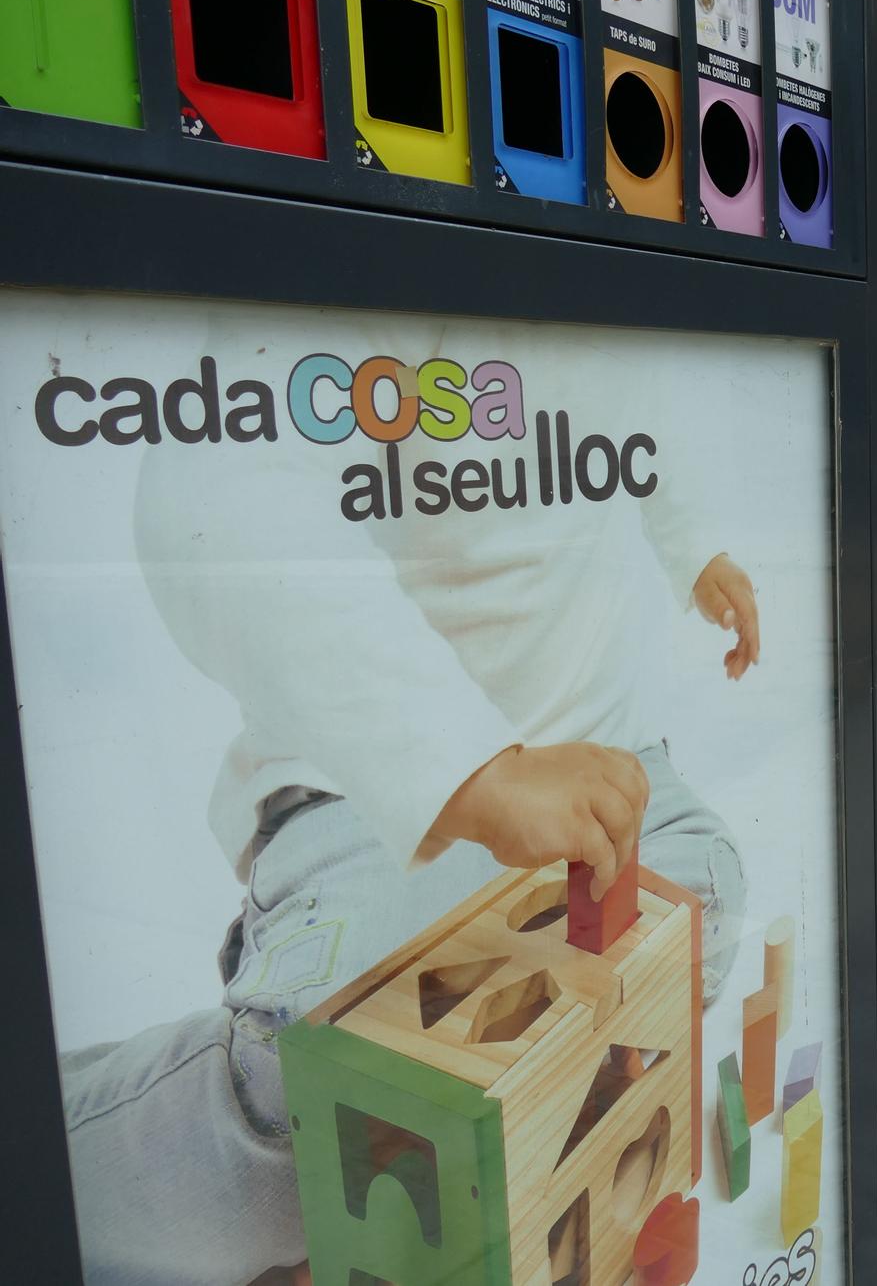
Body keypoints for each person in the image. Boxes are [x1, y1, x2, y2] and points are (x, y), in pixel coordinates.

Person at [62, 392, 758, 1283]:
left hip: (600, 745)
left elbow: (644, 419)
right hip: (369, 778)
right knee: (325, 1098)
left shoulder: (589, 312)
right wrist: (473, 770)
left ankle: (476, 1194)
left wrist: (696, 549)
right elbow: (213, 492)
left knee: (693, 910)